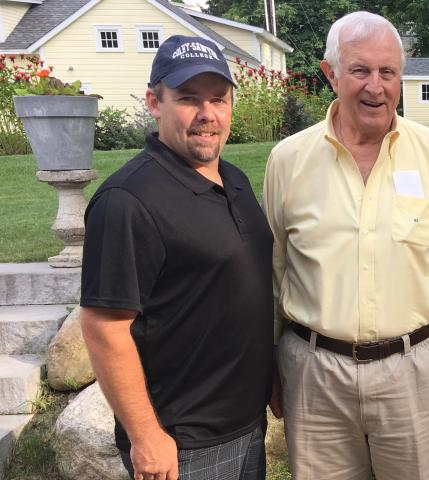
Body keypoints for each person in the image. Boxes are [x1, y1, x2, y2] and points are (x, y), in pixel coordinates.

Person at [262, 11, 429, 480]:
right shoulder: (288, 161)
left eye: (389, 73)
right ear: (331, 73)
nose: (375, 87)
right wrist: (269, 359)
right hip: (314, 372)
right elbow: (273, 267)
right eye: (360, 70)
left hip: (413, 370)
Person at [79, 35, 273, 480]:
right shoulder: (128, 200)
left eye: (219, 100)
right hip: (181, 442)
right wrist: (146, 436)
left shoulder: (235, 179)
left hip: (245, 422)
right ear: (154, 101)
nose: (208, 115)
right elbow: (104, 328)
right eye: (188, 99)